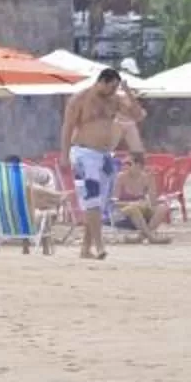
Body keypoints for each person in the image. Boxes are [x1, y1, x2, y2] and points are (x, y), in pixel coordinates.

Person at [61, 65, 143, 261]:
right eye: (112, 87)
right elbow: (67, 127)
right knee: (92, 200)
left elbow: (138, 115)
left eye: (117, 88)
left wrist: (128, 92)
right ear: (102, 82)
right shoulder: (80, 99)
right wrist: (63, 155)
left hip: (104, 155)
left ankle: (85, 248)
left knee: (100, 203)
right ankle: (99, 245)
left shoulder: (114, 100)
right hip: (83, 153)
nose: (114, 91)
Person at [110, 154, 167, 244]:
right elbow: (113, 202)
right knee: (133, 208)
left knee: (162, 208)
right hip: (123, 212)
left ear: (138, 165)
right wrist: (130, 203)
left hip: (141, 211)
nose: (125, 166)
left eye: (129, 163)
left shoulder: (146, 178)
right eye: (124, 163)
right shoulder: (121, 177)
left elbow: (153, 202)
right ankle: (151, 238)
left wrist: (152, 182)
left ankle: (140, 238)